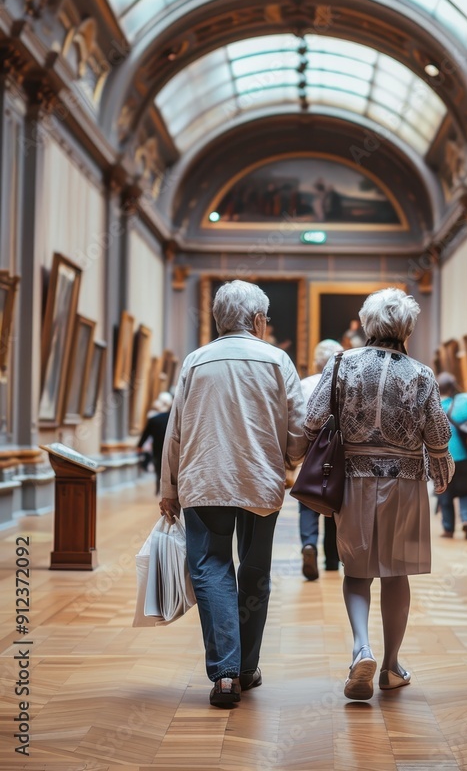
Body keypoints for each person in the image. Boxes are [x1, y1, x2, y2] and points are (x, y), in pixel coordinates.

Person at [159, 280, 306, 709]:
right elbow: (298, 431)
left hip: (204, 483)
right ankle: (245, 668)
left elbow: (176, 432)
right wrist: (290, 460)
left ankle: (225, 674)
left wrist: (168, 487)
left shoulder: (195, 362)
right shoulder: (278, 360)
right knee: (255, 570)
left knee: (211, 569)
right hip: (261, 484)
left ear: (218, 319)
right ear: (259, 321)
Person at [305, 288, 454, 700]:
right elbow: (438, 434)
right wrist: (441, 466)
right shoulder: (421, 374)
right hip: (404, 483)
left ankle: (360, 648)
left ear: (368, 323)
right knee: (396, 572)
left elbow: (313, 418)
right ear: (407, 327)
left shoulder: (340, 364)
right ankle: (390, 667)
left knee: (356, 570)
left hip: (352, 480)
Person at [299, 338, 343, 580]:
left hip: (311, 452)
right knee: (333, 501)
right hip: (338, 453)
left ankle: (309, 544)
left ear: (317, 362)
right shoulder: (345, 384)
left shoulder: (305, 384)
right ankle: (332, 559)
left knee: (307, 501)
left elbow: (298, 421)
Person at [436, 373, 467, 540]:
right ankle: (466, 520)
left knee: (445, 494)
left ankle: (448, 529)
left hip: (443, 459)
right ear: (454, 385)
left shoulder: (435, 406)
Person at [137, 392, 173, 495]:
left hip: (157, 447)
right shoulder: (173, 419)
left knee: (158, 468)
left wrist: (139, 446)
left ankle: (159, 487)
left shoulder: (154, 419)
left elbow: (145, 434)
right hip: (171, 447)